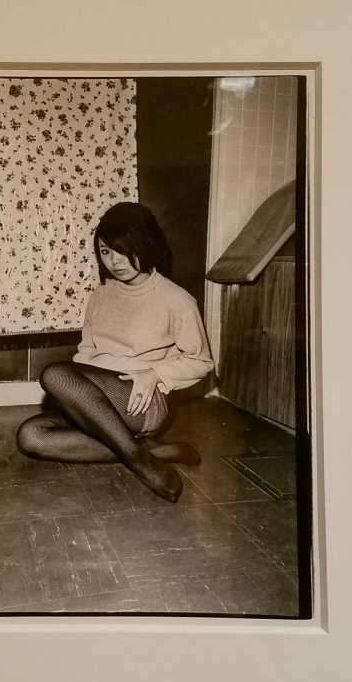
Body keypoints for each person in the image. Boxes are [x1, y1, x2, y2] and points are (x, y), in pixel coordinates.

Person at [16, 202, 214, 502]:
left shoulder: (177, 300)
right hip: (98, 397)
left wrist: (155, 373)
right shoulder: (100, 294)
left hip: (141, 400)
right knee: (30, 436)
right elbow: (86, 352)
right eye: (106, 251)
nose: (114, 261)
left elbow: (201, 362)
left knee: (54, 374)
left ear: (146, 243)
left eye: (123, 250)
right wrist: (74, 397)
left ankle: (140, 461)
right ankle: (149, 451)